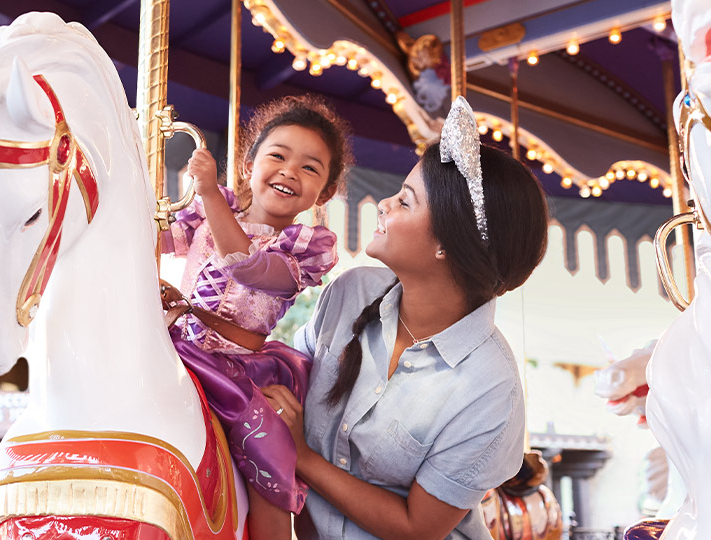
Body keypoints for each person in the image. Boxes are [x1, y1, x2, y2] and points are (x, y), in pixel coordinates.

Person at [263, 96, 549, 539]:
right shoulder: (351, 292)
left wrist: (303, 456)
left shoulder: (489, 389)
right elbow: (283, 375)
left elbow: (417, 528)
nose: (384, 204)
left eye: (406, 201)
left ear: (447, 245)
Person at [163, 95, 352, 539]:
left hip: (235, 366)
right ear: (249, 165)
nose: (290, 171)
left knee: (270, 454)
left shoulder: (306, 247)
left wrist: (210, 193)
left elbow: (247, 266)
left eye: (310, 167)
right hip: (175, 346)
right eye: (278, 156)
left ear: (323, 192)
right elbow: (154, 240)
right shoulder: (208, 209)